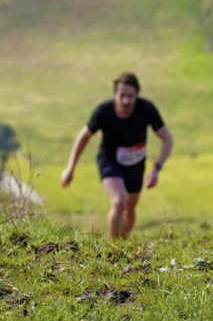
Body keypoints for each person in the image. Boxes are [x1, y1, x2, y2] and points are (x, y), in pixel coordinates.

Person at [60, 72, 172, 240]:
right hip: (109, 160)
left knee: (130, 208)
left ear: (137, 95)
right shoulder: (103, 111)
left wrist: (156, 168)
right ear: (115, 94)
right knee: (119, 201)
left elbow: (167, 139)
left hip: (136, 162)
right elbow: (84, 137)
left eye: (131, 96)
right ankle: (114, 250)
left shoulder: (146, 109)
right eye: (122, 96)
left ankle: (123, 241)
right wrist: (70, 168)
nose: (126, 101)